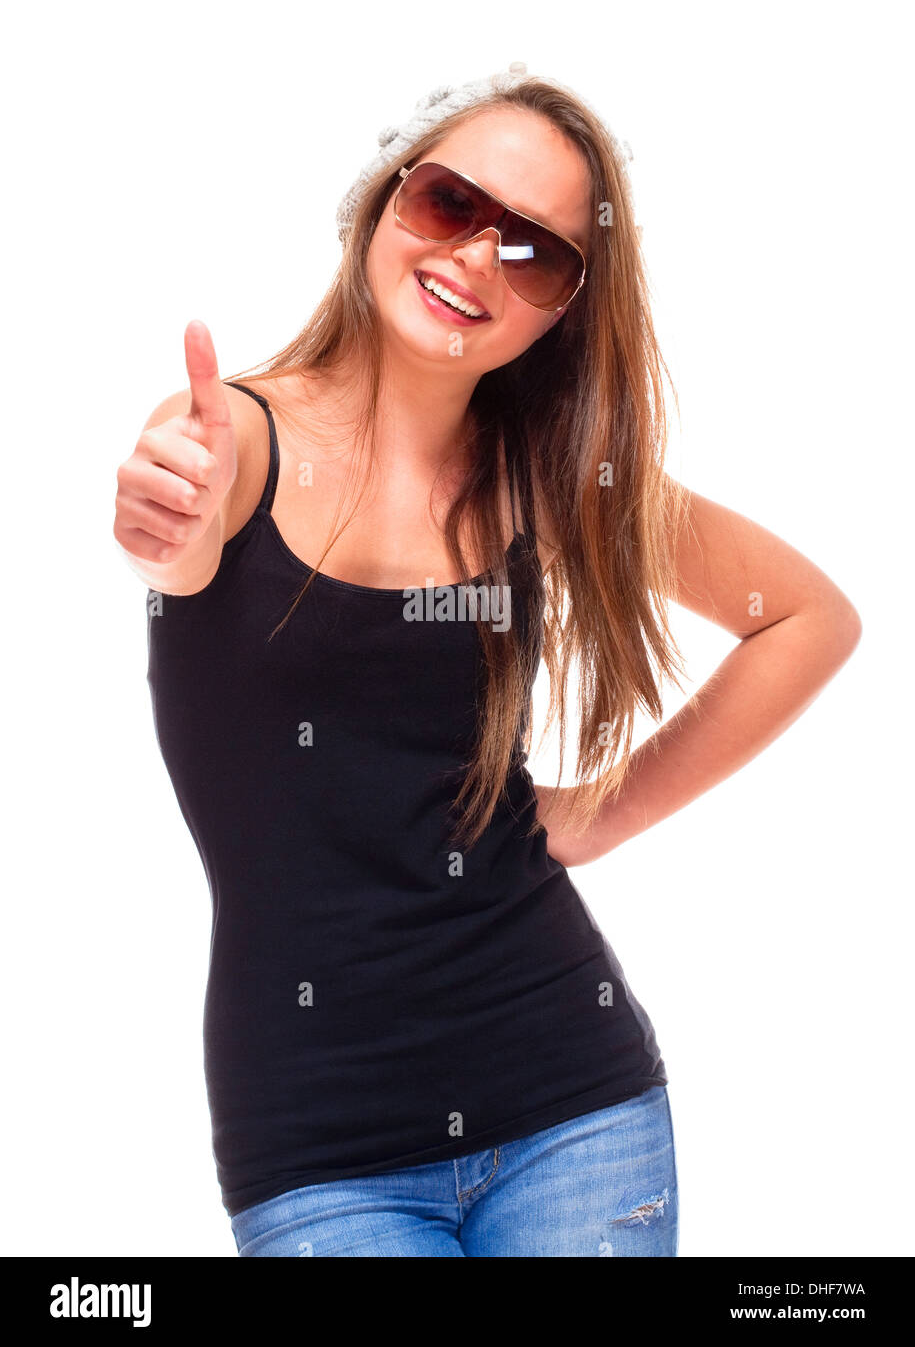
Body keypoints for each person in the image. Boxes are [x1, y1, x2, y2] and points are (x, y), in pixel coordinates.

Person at [113, 64, 862, 1257]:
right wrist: (165, 523)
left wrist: (601, 812)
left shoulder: (548, 482)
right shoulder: (227, 442)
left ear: (561, 308)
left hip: (579, 1108)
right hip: (319, 1148)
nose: (476, 261)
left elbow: (808, 616)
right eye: (454, 205)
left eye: (538, 254)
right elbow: (176, 534)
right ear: (384, 200)